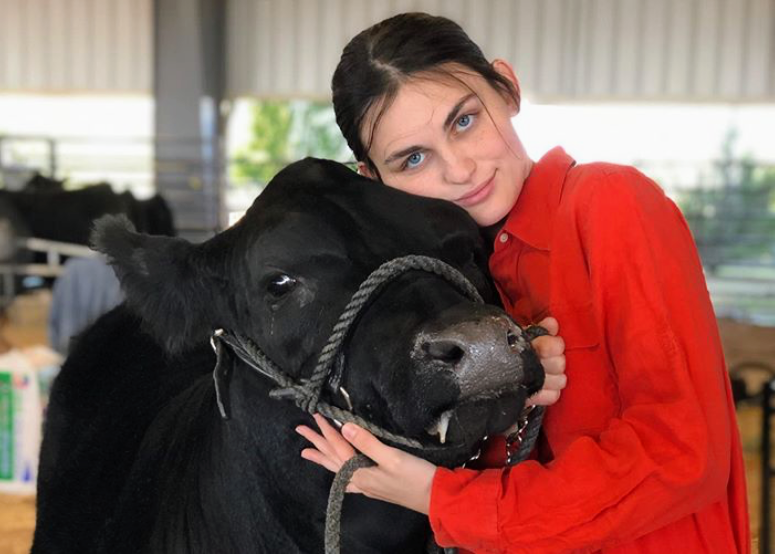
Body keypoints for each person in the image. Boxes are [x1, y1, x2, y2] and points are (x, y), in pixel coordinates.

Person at [295, 12, 750, 554]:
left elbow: (681, 454)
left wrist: (438, 498)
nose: (460, 170)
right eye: (414, 159)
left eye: (464, 121)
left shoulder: (610, 203)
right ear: (375, 180)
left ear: (507, 88)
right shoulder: (442, 284)